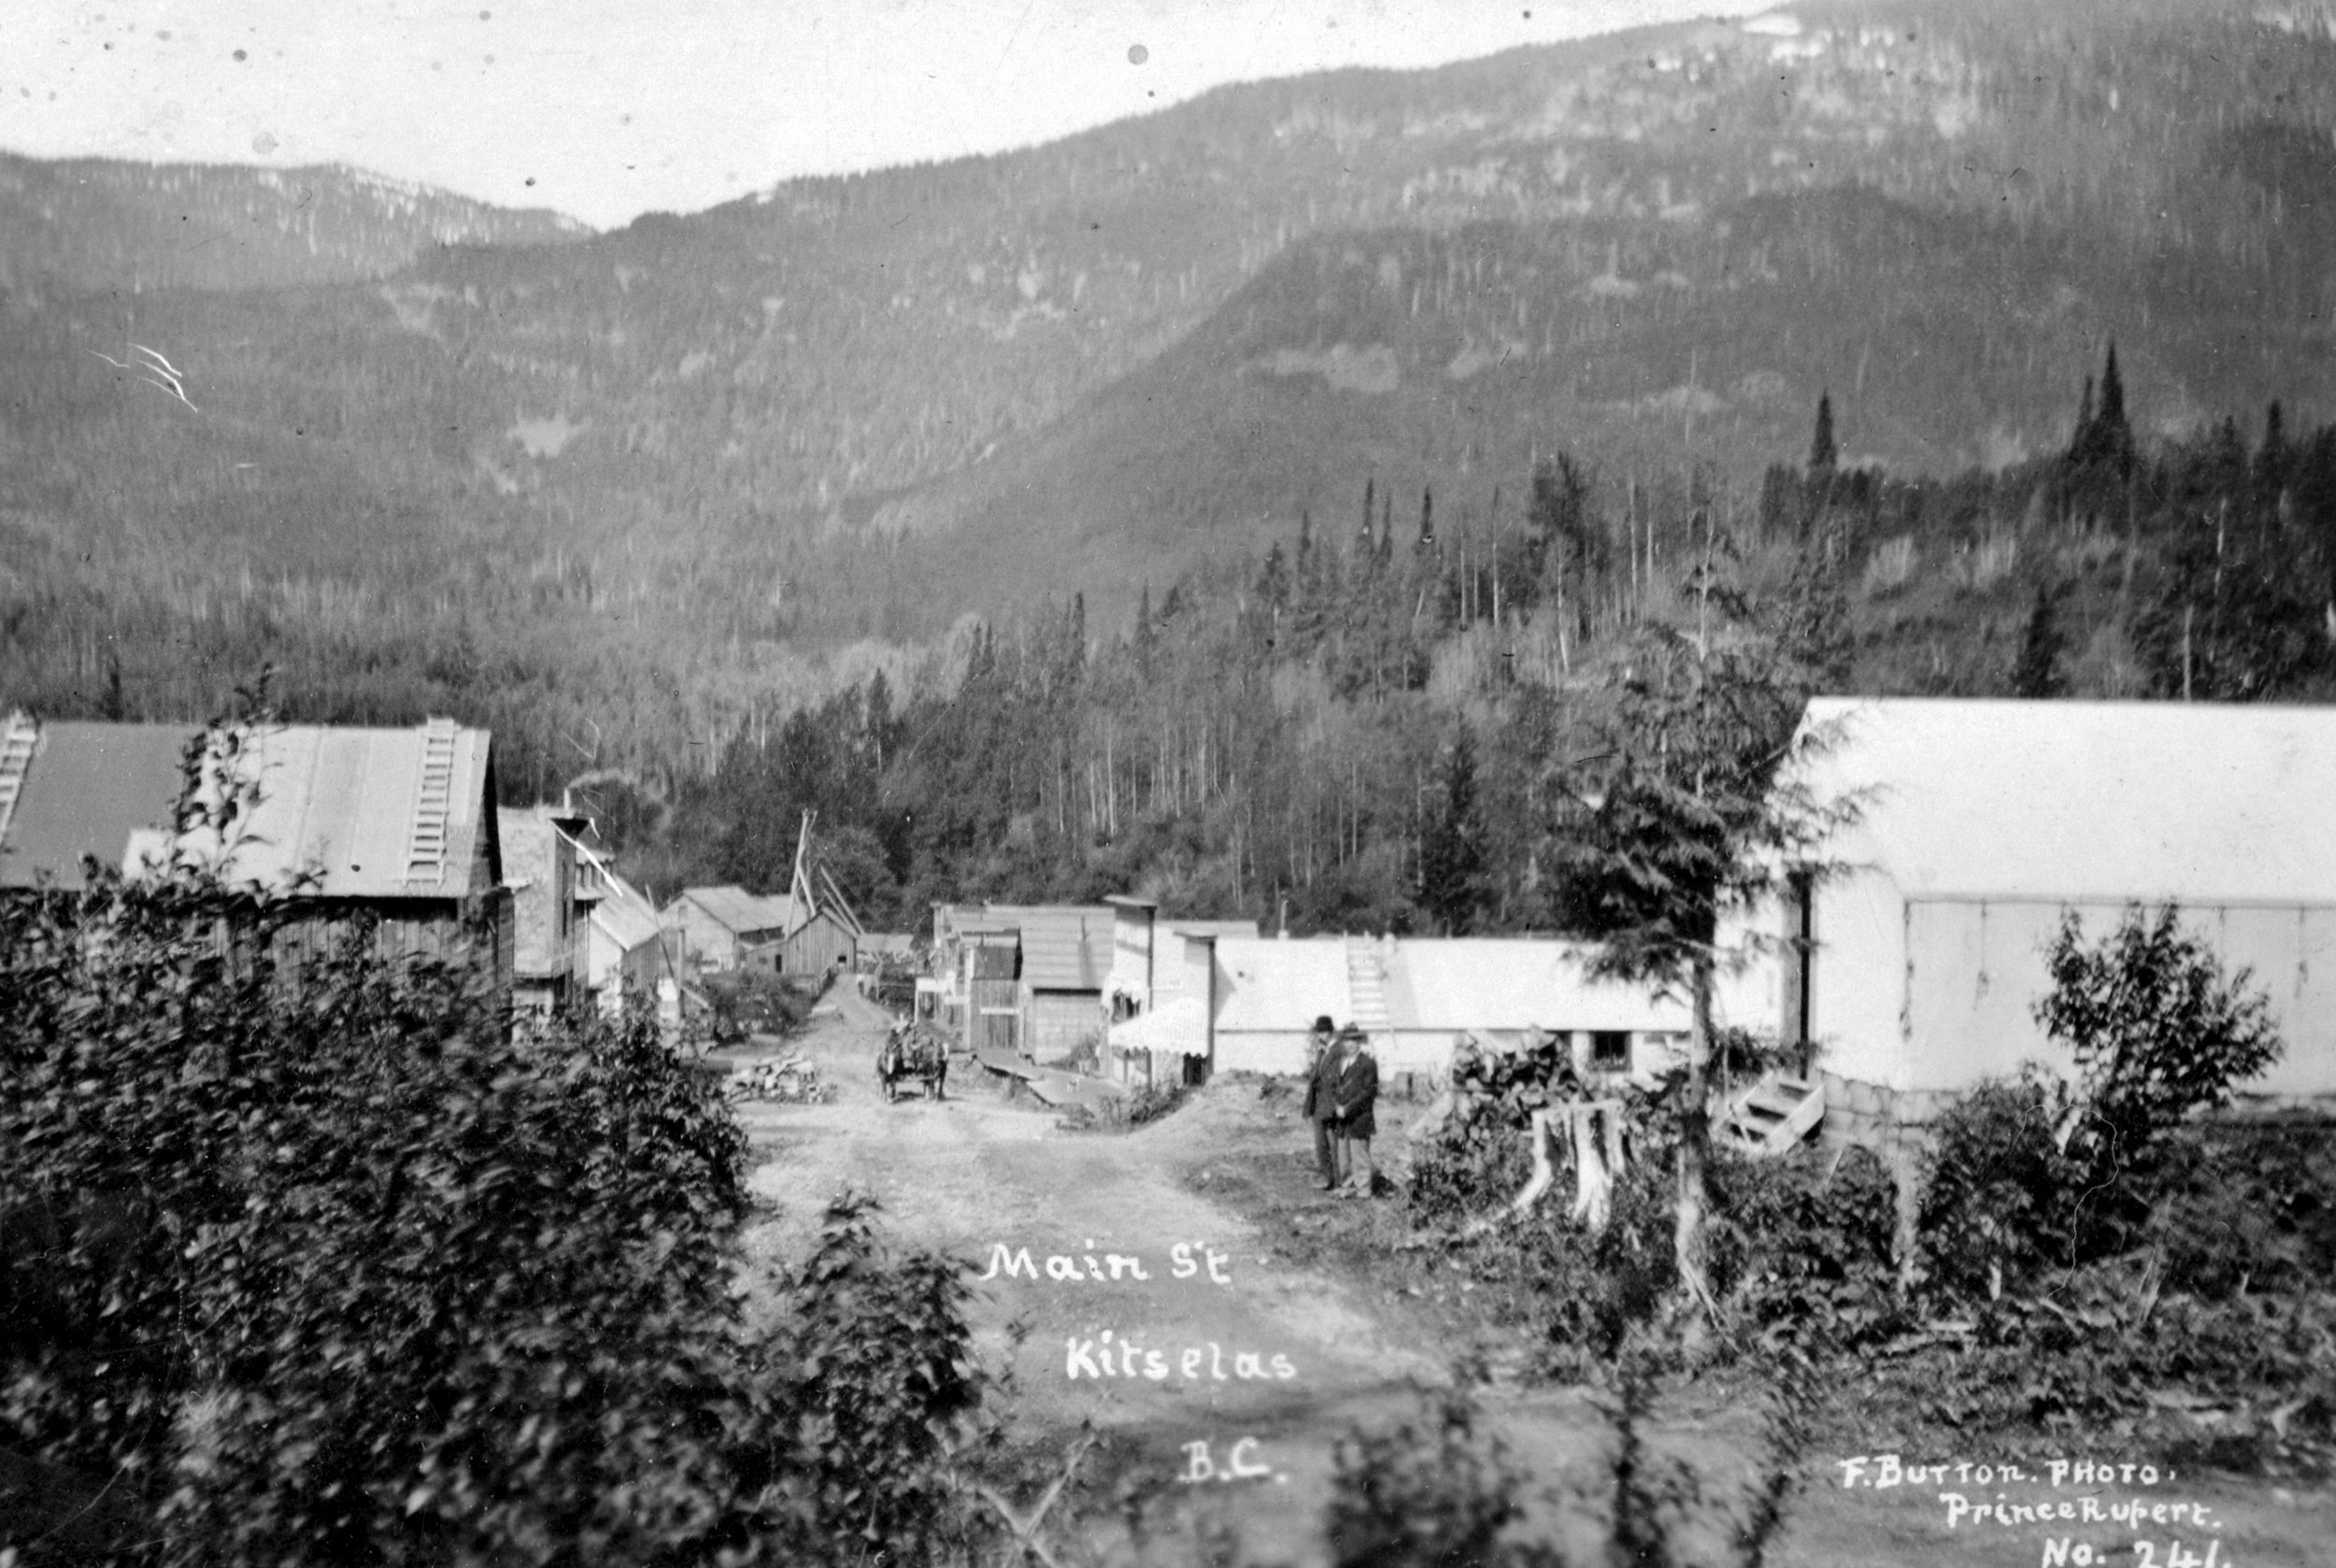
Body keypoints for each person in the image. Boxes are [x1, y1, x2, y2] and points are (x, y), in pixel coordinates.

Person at [1326, 1025, 1380, 1199]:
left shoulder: (1368, 1064)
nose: (1350, 1044)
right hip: (1342, 1118)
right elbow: (1334, 1087)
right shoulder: (1341, 1062)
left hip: (1359, 1117)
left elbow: (1368, 1093)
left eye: (1354, 1040)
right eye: (1347, 1040)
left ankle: (1363, 1190)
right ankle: (1347, 1186)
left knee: (1360, 1156)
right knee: (1344, 1156)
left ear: (1359, 1042)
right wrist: (1336, 1107)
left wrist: (1347, 1108)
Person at [1300, 1016, 1341, 1190]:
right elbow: (1315, 1078)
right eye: (1318, 1032)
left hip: (1330, 1107)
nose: (1320, 1035)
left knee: (1334, 1146)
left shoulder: (1338, 1052)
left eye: (1323, 1031)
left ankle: (1338, 1181)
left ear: (1330, 1031)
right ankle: (1329, 1178)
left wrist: (1335, 1107)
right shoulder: (1322, 1051)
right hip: (1317, 1106)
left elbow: (1338, 1081)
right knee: (1320, 1146)